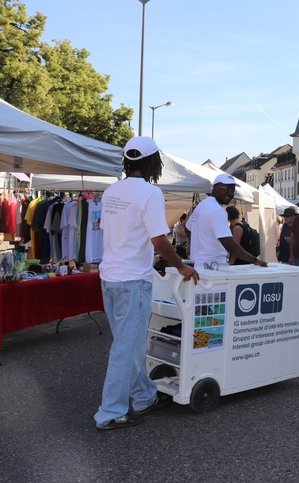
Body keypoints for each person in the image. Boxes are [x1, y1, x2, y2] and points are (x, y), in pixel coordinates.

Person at [94, 136, 199, 431]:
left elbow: (114, 232)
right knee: (126, 348)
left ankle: (143, 397)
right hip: (132, 280)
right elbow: (158, 240)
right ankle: (110, 411)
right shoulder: (150, 194)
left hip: (110, 277)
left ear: (128, 161)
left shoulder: (112, 191)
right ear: (154, 162)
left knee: (128, 344)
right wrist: (181, 266)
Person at [186, 174, 267, 269]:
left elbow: (187, 228)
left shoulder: (202, 205)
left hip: (199, 265)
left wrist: (202, 245)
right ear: (215, 188)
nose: (230, 193)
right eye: (226, 189)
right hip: (214, 267)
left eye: (233, 190)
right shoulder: (217, 210)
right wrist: (255, 260)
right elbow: (229, 244)